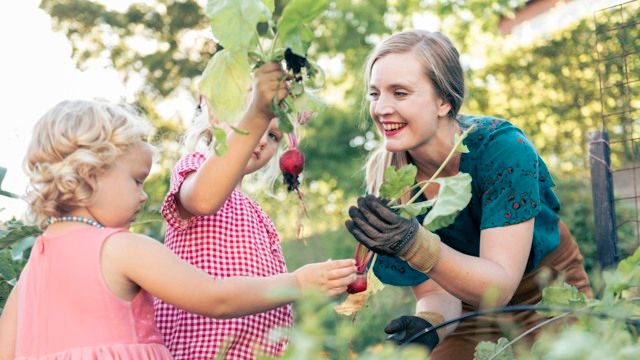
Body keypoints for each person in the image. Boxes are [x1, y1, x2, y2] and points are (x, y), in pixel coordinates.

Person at [0, 66, 356, 360]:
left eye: (275, 135)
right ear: (90, 174)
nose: (143, 197)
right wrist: (296, 282)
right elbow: (214, 294)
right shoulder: (122, 247)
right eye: (137, 181)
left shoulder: (36, 265)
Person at [344, 30, 592, 359]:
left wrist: (413, 244)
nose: (381, 108)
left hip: (548, 290)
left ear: (444, 101)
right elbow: (437, 292)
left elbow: (499, 287)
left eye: (400, 93)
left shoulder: (503, 150)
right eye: (375, 94)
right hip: (467, 307)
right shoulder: (388, 181)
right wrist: (427, 326)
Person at [151, 63, 333, 359]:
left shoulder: (253, 211)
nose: (261, 138)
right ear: (214, 114)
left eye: (274, 135)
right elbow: (203, 200)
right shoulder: (193, 170)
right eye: (251, 117)